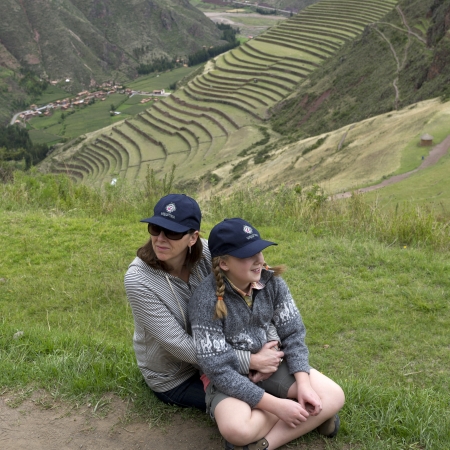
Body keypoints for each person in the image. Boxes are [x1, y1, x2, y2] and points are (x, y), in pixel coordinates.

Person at [188, 218, 345, 450]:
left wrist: (303, 383)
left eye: (259, 251)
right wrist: (278, 406)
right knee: (237, 429)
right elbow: (217, 368)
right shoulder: (204, 300)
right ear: (223, 263)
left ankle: (263, 445)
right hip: (228, 376)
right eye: (246, 255)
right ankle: (305, 414)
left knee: (334, 395)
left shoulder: (272, 283)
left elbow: (293, 334)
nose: (259, 260)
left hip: (272, 365)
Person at [124, 194, 285, 411]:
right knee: (252, 404)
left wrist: (272, 348)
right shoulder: (138, 280)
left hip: (225, 352)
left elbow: (259, 289)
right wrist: (252, 360)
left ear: (193, 238)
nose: (160, 239)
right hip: (177, 375)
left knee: (285, 383)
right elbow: (179, 345)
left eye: (171, 232)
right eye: (155, 228)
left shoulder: (211, 253)